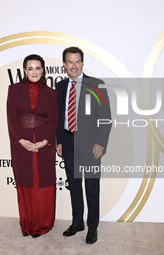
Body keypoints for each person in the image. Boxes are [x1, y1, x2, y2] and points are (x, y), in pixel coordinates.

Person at [55, 47, 111, 244]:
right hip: (68, 143)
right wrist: (59, 141)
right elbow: (58, 117)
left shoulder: (97, 84)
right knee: (75, 186)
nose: (74, 66)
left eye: (77, 62)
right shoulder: (60, 86)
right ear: (64, 65)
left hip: (91, 145)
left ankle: (92, 227)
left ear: (82, 63)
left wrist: (100, 143)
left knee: (92, 187)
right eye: (70, 62)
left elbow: (106, 118)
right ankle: (77, 222)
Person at [6, 54, 59, 238]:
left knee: (42, 183)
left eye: (38, 68)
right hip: (21, 143)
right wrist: (21, 140)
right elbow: (11, 118)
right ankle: (27, 224)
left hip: (44, 143)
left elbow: (53, 120)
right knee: (26, 182)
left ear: (43, 70)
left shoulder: (51, 93)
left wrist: (44, 142)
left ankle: (43, 225)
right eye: (30, 68)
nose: (34, 72)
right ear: (24, 70)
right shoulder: (13, 90)